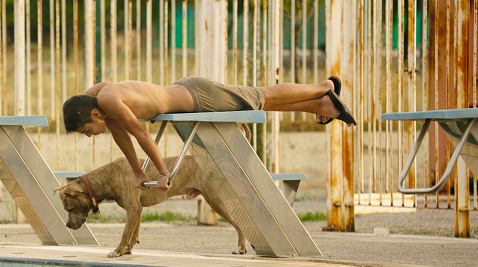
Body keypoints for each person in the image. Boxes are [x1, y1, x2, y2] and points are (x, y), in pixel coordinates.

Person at [62, 75, 356, 191]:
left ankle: (323, 88)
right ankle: (320, 105)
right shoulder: (97, 97)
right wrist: (138, 171)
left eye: (88, 130)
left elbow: (139, 134)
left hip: (198, 96)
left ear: (95, 114)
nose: (91, 136)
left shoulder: (108, 101)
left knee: (261, 96)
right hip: (188, 95)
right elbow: (121, 137)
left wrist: (163, 172)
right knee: (260, 103)